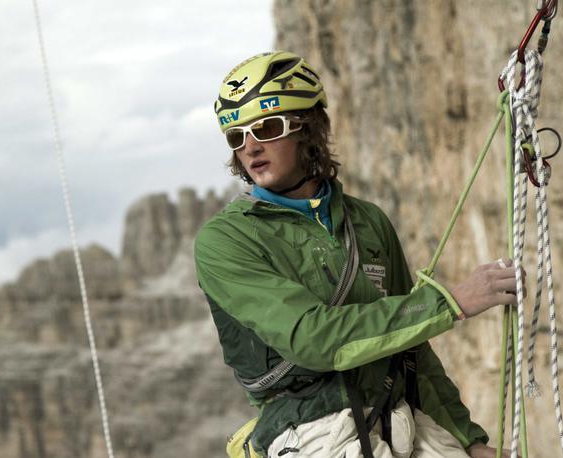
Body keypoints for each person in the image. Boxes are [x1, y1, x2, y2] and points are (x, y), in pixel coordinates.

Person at [194, 51, 516, 458]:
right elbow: (313, 339)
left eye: (267, 127)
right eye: (237, 137)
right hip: (312, 432)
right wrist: (449, 303)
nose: (251, 147)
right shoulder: (226, 240)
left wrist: (470, 441)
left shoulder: (366, 222)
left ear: (306, 128)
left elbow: (410, 351)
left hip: (400, 420)